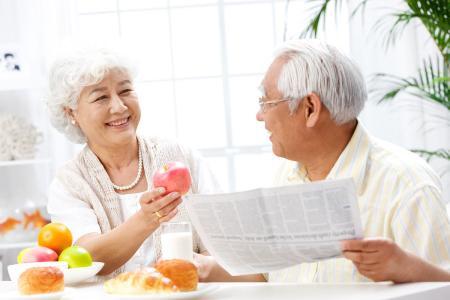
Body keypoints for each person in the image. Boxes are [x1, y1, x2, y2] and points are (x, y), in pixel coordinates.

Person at [195, 39, 450, 283]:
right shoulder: (284, 175)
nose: (260, 116)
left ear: (310, 108)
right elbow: (270, 274)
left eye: (267, 101)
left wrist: (408, 269)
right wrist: (200, 268)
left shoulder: (406, 184)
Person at [45, 49, 219, 276]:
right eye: (100, 97)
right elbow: (86, 258)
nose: (119, 107)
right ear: (71, 113)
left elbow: (221, 246)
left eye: (125, 90)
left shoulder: (181, 157)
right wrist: (146, 219)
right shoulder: (69, 182)